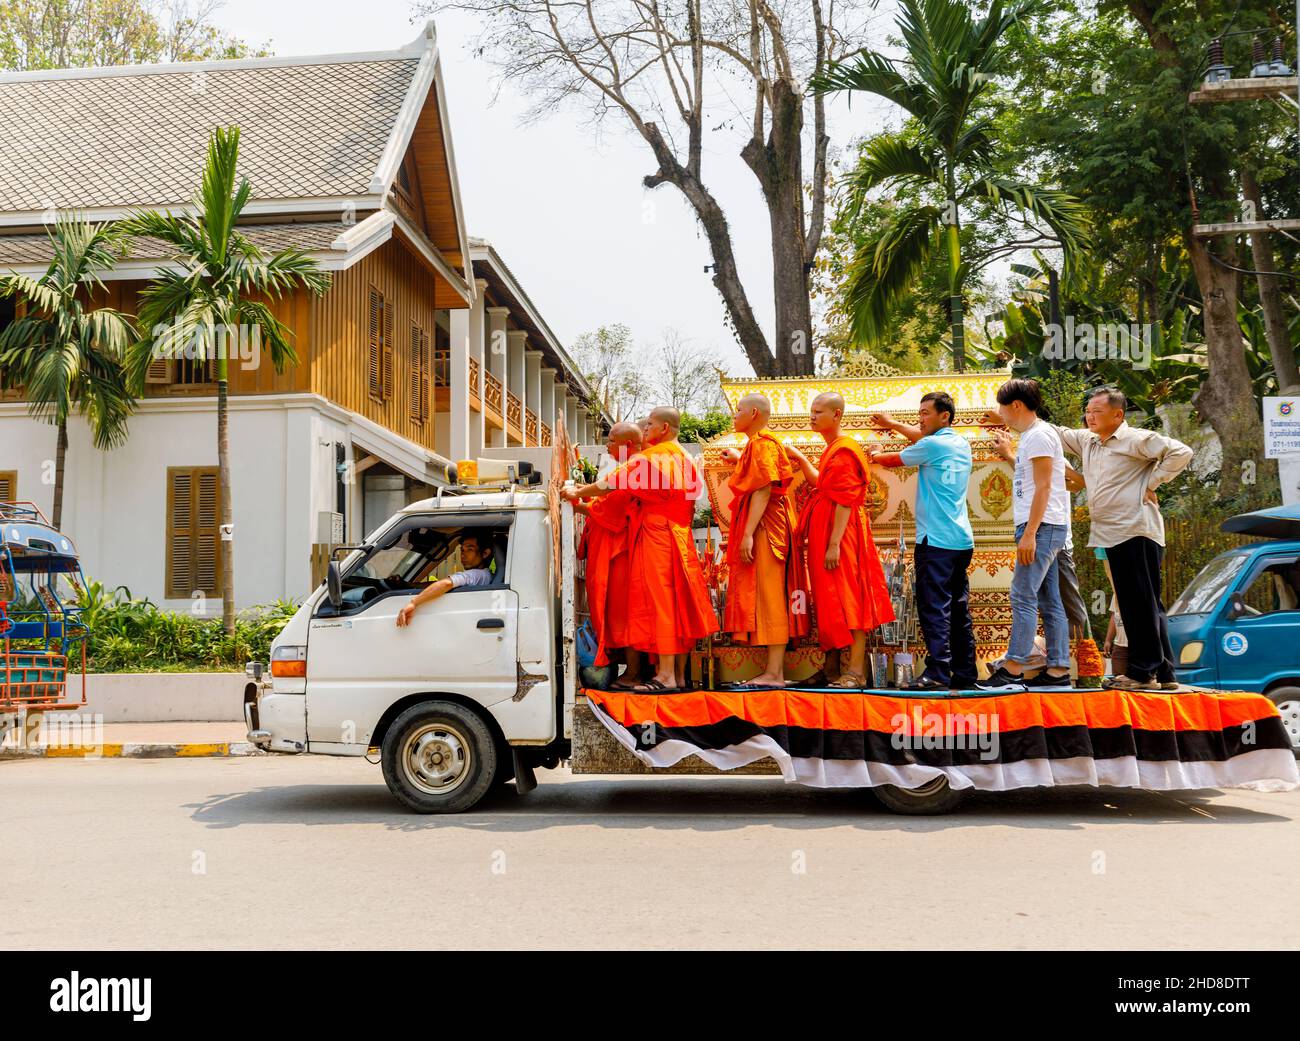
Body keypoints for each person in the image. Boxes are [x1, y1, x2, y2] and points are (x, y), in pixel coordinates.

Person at [565, 406, 717, 691]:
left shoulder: (655, 457)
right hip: (679, 534)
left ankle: (667, 676)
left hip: (658, 534)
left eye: (649, 425)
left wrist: (578, 492)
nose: (645, 430)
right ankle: (679, 677)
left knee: (661, 604)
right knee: (677, 603)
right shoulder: (685, 457)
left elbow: (610, 485)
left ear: (663, 429)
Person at [1051, 387, 1193, 691]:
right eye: (1088, 411)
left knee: (1138, 604)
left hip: (1136, 530)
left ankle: (1142, 673)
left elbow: (1182, 452)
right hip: (1114, 532)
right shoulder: (1088, 441)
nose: (1090, 416)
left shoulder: (1135, 439)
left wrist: (1152, 482)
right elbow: (1057, 433)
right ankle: (1165, 673)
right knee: (1146, 604)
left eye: (1097, 411)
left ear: (1118, 414)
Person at [786, 392, 894, 689]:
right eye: (811, 412)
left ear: (836, 415)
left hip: (841, 536)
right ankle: (830, 667)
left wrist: (834, 543)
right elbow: (821, 484)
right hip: (827, 534)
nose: (812, 417)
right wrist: (800, 458)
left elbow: (845, 501)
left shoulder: (845, 450)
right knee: (827, 600)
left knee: (850, 599)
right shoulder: (833, 449)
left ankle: (856, 671)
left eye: (818, 412)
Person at [870, 392, 976, 691]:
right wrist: (894, 424)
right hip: (960, 541)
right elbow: (922, 437)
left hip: (936, 541)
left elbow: (893, 460)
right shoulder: (958, 442)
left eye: (926, 413)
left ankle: (938, 673)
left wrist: (875, 453)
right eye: (920, 413)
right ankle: (965, 672)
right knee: (957, 609)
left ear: (945, 416)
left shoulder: (932, 444)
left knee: (934, 608)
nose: (921, 418)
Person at [976, 378, 1071, 691]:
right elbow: (1034, 479)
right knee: (1049, 599)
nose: (1000, 413)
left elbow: (1044, 487)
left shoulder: (1040, 436)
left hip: (1041, 527)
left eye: (1003, 407)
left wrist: (1030, 533)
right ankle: (1058, 669)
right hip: (1045, 525)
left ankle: (1013, 668)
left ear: (1015, 405)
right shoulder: (1034, 435)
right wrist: (1007, 453)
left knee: (1022, 594)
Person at [719, 393, 808, 688]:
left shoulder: (763, 444)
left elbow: (763, 490)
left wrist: (747, 534)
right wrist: (739, 459)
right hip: (766, 522)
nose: (734, 416)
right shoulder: (756, 446)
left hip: (766, 527)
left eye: (738, 411)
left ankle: (775, 673)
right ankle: (773, 671)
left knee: (771, 595)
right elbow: (756, 480)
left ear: (754, 413)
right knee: (766, 594)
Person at [572, 421, 644, 688]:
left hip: (621, 552)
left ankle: (634, 671)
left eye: (611, 440)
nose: (607, 445)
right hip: (619, 547)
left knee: (624, 612)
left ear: (626, 444)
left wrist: (577, 498)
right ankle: (632, 669)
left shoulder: (637, 466)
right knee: (617, 611)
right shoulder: (629, 466)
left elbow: (608, 505)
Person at [396, 533, 494, 627]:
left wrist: (413, 603)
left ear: (485, 553)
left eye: (469, 549)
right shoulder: (484, 575)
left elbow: (446, 584)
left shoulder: (477, 575)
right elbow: (440, 584)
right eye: (462, 550)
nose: (462, 555)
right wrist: (412, 585)